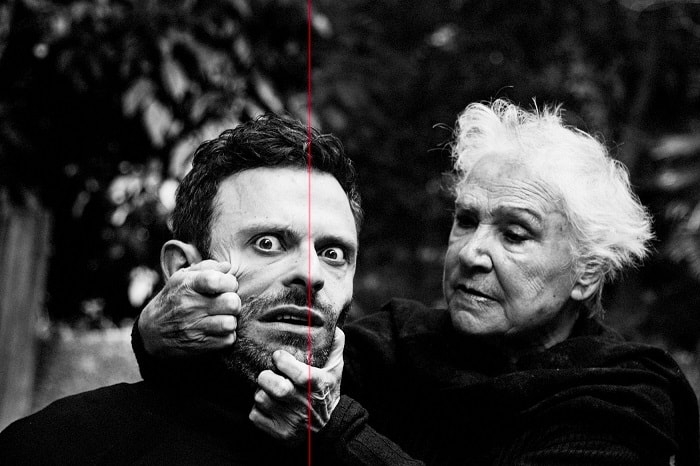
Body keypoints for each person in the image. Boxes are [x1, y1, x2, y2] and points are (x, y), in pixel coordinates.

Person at [131, 100, 700, 465]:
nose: (471, 253)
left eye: (515, 234)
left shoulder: (622, 398)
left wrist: (336, 433)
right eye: (466, 220)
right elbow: (254, 370)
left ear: (587, 273)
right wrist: (156, 335)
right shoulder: (403, 342)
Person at [0, 114, 368, 464]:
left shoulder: (390, 409)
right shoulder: (58, 449)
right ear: (183, 269)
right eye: (268, 243)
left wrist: (337, 436)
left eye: (333, 253)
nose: (311, 273)